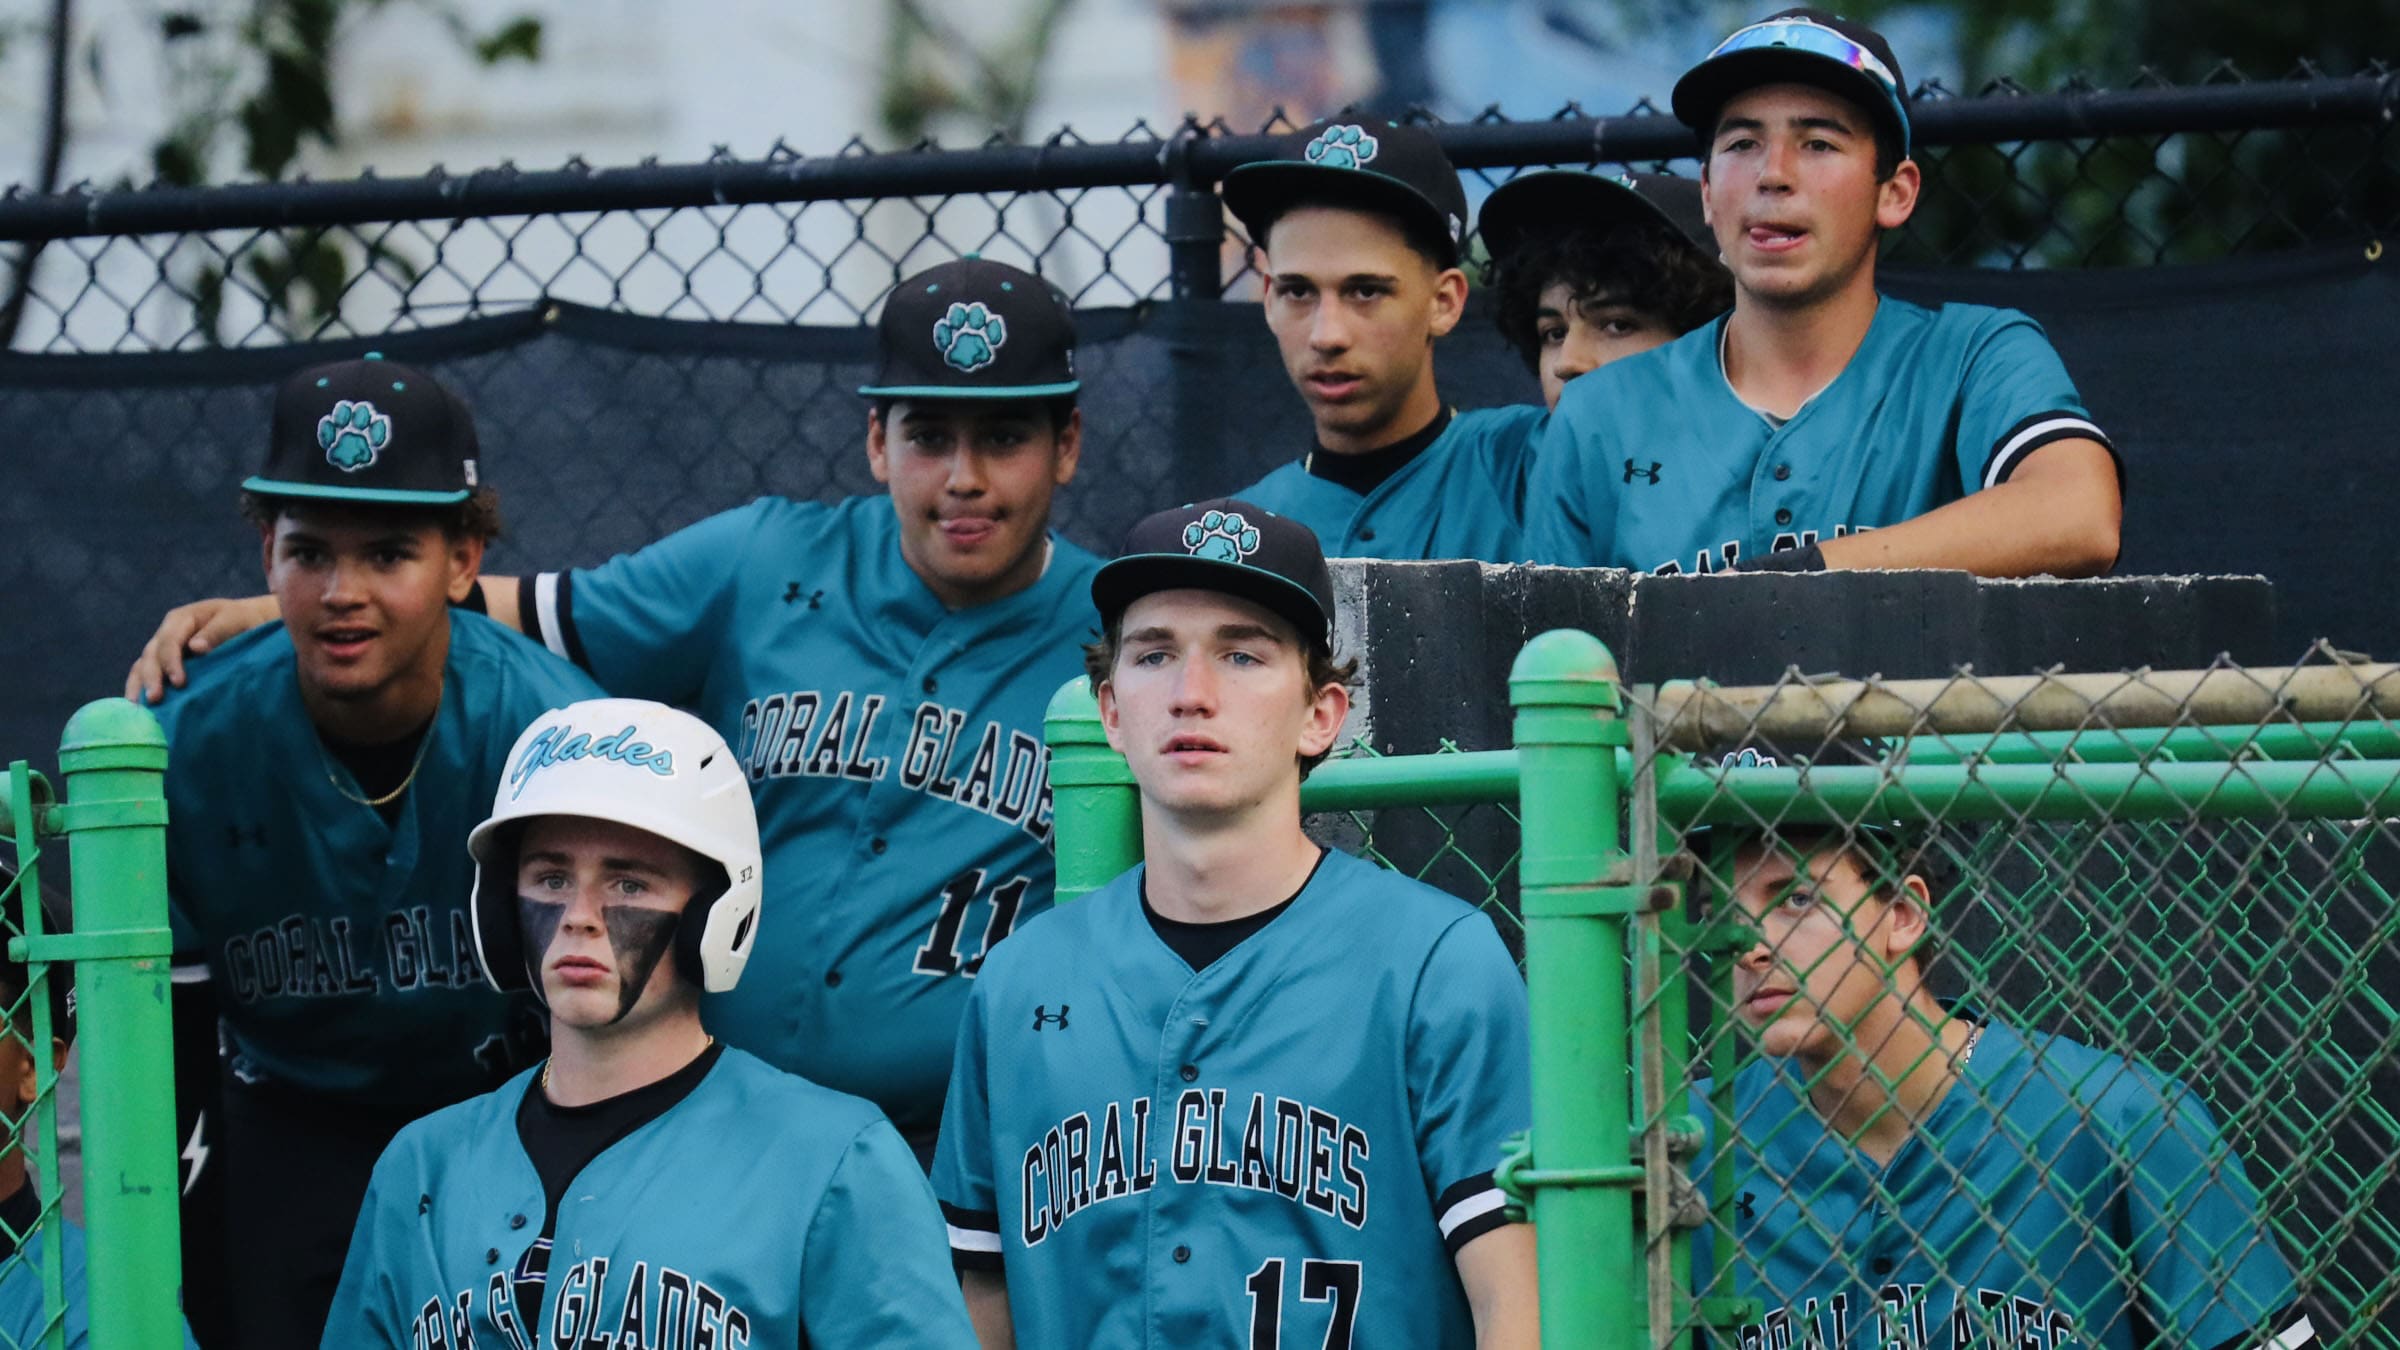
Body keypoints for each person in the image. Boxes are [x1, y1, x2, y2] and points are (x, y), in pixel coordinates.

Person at [128, 258, 1103, 1163]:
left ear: (1065, 448)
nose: (964, 477)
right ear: (876, 441)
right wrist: (306, 611)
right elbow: (530, 603)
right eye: (929, 436)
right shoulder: (762, 559)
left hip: (969, 1137)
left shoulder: (1120, 641)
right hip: (723, 1116)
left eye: (1005, 437)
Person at [934, 499, 1539, 1347]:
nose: (1192, 694)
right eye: (1154, 655)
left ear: (1321, 714)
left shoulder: (1434, 965)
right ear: (1111, 711)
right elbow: (981, 1305)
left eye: (1242, 654)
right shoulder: (1018, 985)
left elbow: (1521, 1309)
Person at [150, 354, 604, 1347]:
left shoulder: (553, 731)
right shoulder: (185, 741)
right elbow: (164, 1047)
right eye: (309, 553)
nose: (341, 591)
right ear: (266, 552)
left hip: (510, 1107)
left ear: (462, 559)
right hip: (287, 1113)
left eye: (388, 552)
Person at [325, 699, 976, 1346]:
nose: (579, 915)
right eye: (550, 877)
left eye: (629, 884)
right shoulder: (421, 1167)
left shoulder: (835, 1160)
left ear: (714, 914)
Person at [1526, 9, 2124, 577]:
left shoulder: (1975, 353)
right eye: (1742, 144)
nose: (1773, 174)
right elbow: (1555, 662)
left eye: (1819, 143)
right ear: (1707, 192)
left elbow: (2080, 515)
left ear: (1895, 192)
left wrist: (1808, 576)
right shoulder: (1597, 413)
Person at [1700, 819, 2317, 1348]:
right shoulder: (1694, 1145)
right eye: (1722, 914)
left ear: (1903, 915)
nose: (1750, 947)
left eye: (1798, 900)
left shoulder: (2120, 1120)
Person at [1218, 119, 1547, 561]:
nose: (1327, 335)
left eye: (1366, 291)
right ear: (1268, 300)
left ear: (1444, 302)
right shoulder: (1236, 539)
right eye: (1297, 291)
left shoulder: (1531, 468)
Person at [1476, 169, 1733, 411]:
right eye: (1554, 333)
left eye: (1618, 325)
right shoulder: (1500, 452)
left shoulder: (1762, 451)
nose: (1567, 363)